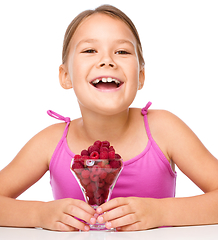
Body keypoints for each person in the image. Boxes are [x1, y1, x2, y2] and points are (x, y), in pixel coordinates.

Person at [0, 4, 218, 232]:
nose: (107, 61)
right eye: (89, 51)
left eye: (122, 52)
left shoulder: (164, 129)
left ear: (141, 76)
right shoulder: (50, 142)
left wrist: (160, 212)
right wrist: (39, 214)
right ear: (65, 76)